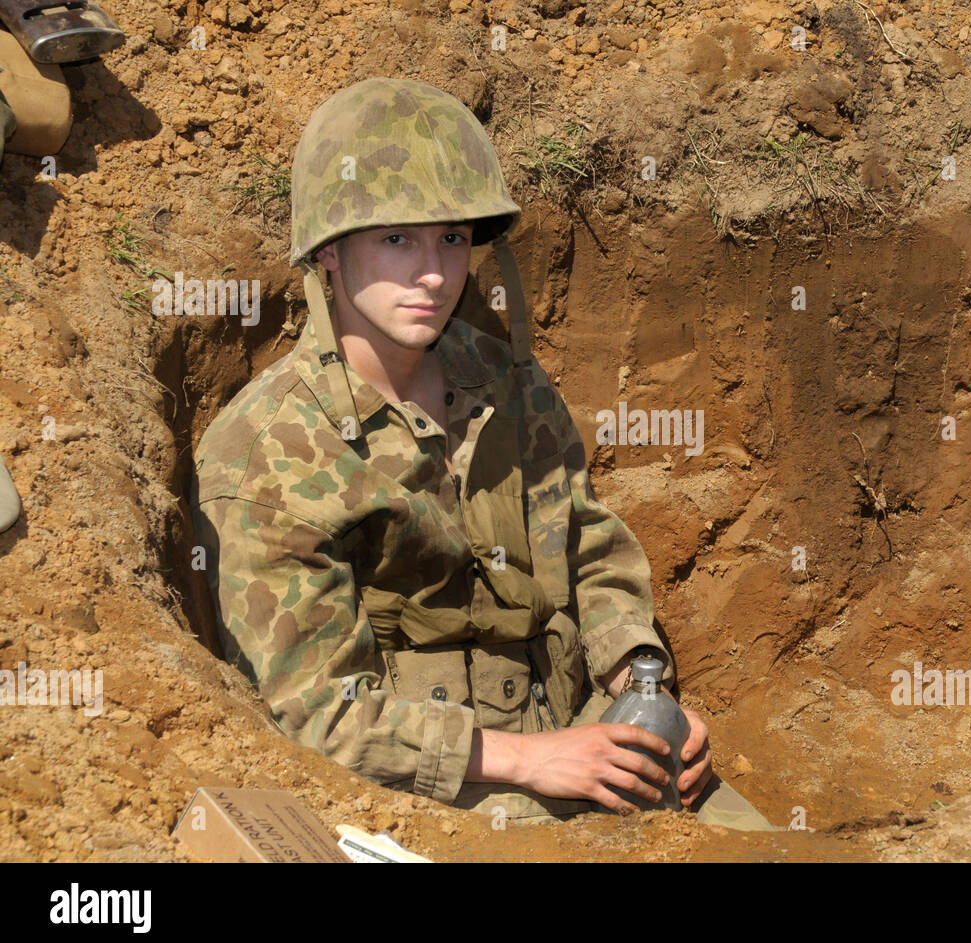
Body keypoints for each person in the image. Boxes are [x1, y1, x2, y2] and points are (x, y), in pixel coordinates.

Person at [192, 78, 773, 829]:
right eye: (397, 238)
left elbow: (587, 543)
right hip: (420, 786)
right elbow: (320, 717)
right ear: (330, 252)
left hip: (578, 728)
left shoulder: (505, 379)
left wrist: (642, 686)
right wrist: (533, 759)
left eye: (453, 238)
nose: (433, 271)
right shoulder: (266, 453)